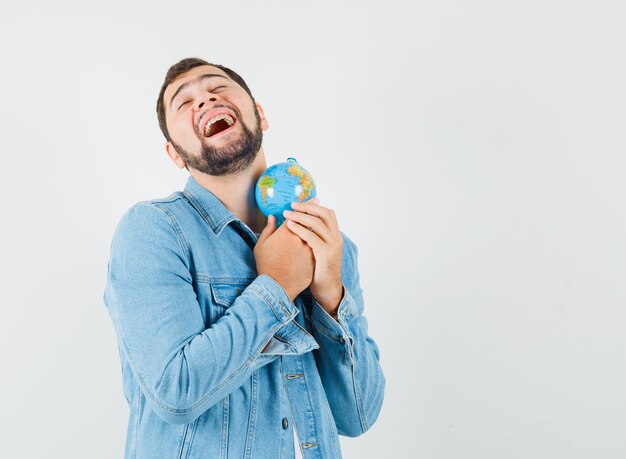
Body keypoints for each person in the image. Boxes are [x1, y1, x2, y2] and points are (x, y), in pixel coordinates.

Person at [103, 57, 385, 458]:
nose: (204, 98)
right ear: (175, 154)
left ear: (260, 114)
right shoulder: (153, 230)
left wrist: (331, 297)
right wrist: (277, 288)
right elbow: (175, 393)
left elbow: (357, 416)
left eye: (216, 85)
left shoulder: (331, 246)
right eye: (184, 102)